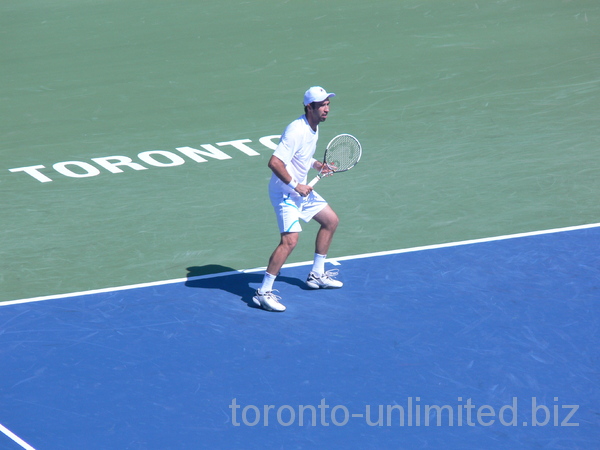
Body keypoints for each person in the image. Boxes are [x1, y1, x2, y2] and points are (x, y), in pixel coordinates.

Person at [253, 86, 343, 312]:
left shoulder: (313, 127)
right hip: (285, 192)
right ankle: (263, 292)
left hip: (301, 190)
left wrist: (316, 165)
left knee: (330, 221)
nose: (326, 109)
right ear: (309, 107)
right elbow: (274, 162)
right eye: (322, 105)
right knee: (290, 240)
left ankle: (316, 275)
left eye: (327, 104)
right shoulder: (296, 130)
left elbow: (302, 155)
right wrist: (295, 185)